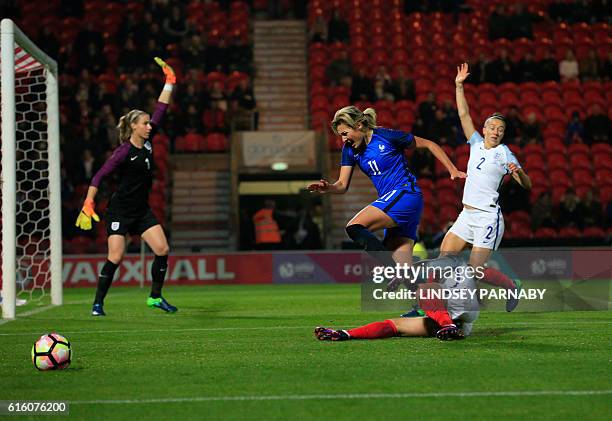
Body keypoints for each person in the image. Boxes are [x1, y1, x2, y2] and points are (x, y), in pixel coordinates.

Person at [307, 105, 465, 302]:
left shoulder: (387, 136)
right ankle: (438, 311)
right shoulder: (349, 149)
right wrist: (328, 187)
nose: (343, 139)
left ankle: (392, 270)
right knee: (408, 274)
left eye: (345, 133)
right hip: (397, 202)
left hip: (405, 194)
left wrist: (453, 170)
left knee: (355, 227)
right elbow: (341, 185)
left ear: (359, 125)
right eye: (340, 135)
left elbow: (430, 144)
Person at [75, 57, 177, 316]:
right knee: (116, 257)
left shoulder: (149, 141)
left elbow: (161, 109)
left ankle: (155, 297)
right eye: (144, 123)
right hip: (119, 211)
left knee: (163, 250)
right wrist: (89, 202)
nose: (149, 125)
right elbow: (98, 176)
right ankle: (98, 303)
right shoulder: (123, 152)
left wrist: (170, 82)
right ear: (133, 126)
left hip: (141, 211)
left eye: (148, 122)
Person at [439, 63, 532, 312]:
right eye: (492, 127)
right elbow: (464, 115)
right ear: (484, 129)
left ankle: (511, 286)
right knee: (443, 261)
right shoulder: (476, 143)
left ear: (503, 135)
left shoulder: (505, 154)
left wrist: (519, 173)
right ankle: (441, 306)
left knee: (476, 270)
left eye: (500, 129)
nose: (496, 131)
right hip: (466, 215)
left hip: (488, 217)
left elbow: (527, 184)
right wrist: (459, 86)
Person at [316, 255, 479, 341]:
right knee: (395, 324)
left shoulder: (450, 263)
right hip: (461, 323)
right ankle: (345, 334)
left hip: (459, 309)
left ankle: (448, 325)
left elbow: (425, 267)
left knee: (426, 289)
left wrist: (401, 275)